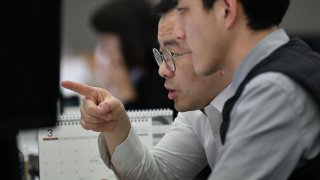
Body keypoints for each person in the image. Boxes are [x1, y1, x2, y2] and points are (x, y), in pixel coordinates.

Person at [61, 1, 233, 179]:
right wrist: (115, 124)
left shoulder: (257, 99)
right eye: (161, 54)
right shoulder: (196, 111)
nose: (162, 70)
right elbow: (155, 176)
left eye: (171, 54)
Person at [172, 0, 320, 179]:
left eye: (184, 12)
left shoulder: (271, 93)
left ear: (226, 11)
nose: (179, 33)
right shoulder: (292, 64)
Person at [89, 0, 173, 110]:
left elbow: (151, 124)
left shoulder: (163, 75)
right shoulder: (140, 72)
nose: (104, 46)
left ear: (129, 36)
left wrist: (126, 92)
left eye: (107, 37)